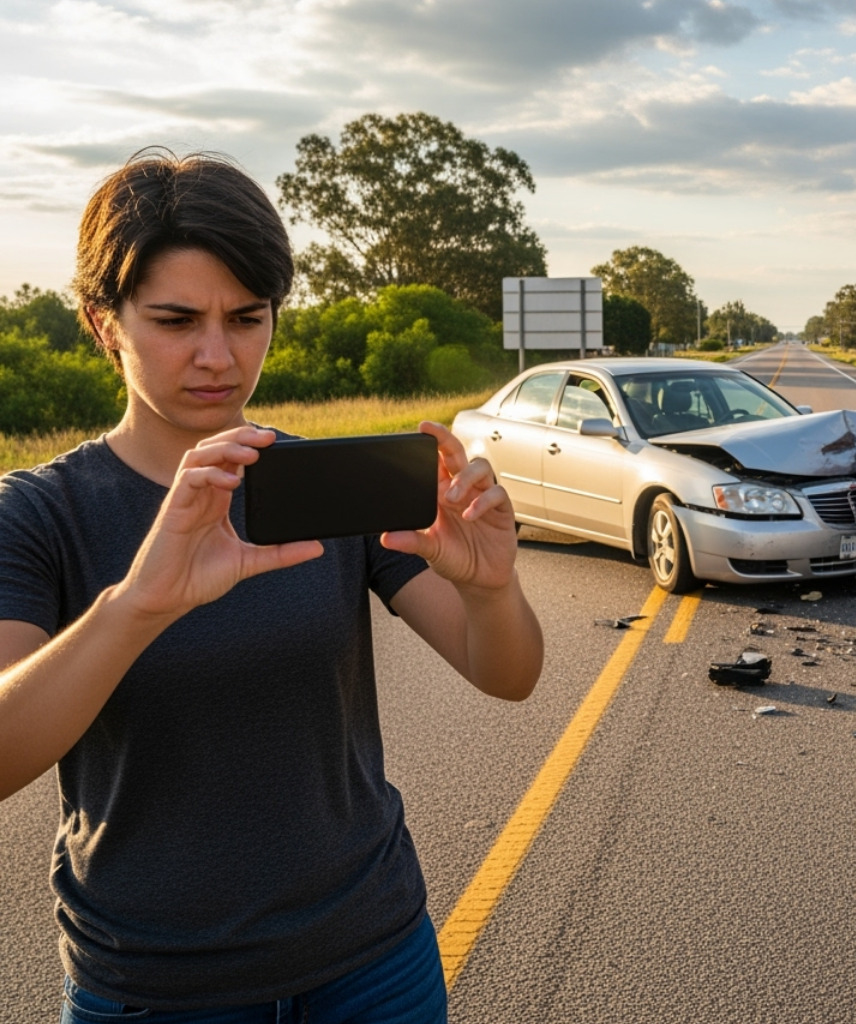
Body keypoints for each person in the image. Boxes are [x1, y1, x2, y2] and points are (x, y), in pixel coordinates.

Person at [0, 149, 543, 1020]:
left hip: (374, 961)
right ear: (104, 323)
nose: (218, 356)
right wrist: (139, 604)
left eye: (248, 318)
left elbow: (509, 675)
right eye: (177, 320)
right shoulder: (39, 512)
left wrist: (489, 587)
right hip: (155, 986)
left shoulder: (329, 484)